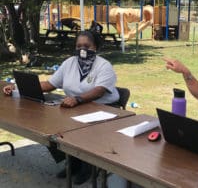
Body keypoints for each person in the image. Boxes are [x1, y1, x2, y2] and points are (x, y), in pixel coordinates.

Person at [3, 31, 120, 184]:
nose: (82, 49)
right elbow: (51, 84)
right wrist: (16, 87)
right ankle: (72, 162)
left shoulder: (104, 66)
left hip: (103, 108)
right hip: (75, 106)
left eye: (86, 46)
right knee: (49, 127)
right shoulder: (69, 63)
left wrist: (77, 99)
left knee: (79, 127)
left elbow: (99, 91)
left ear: (95, 47)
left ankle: (87, 167)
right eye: (78, 46)